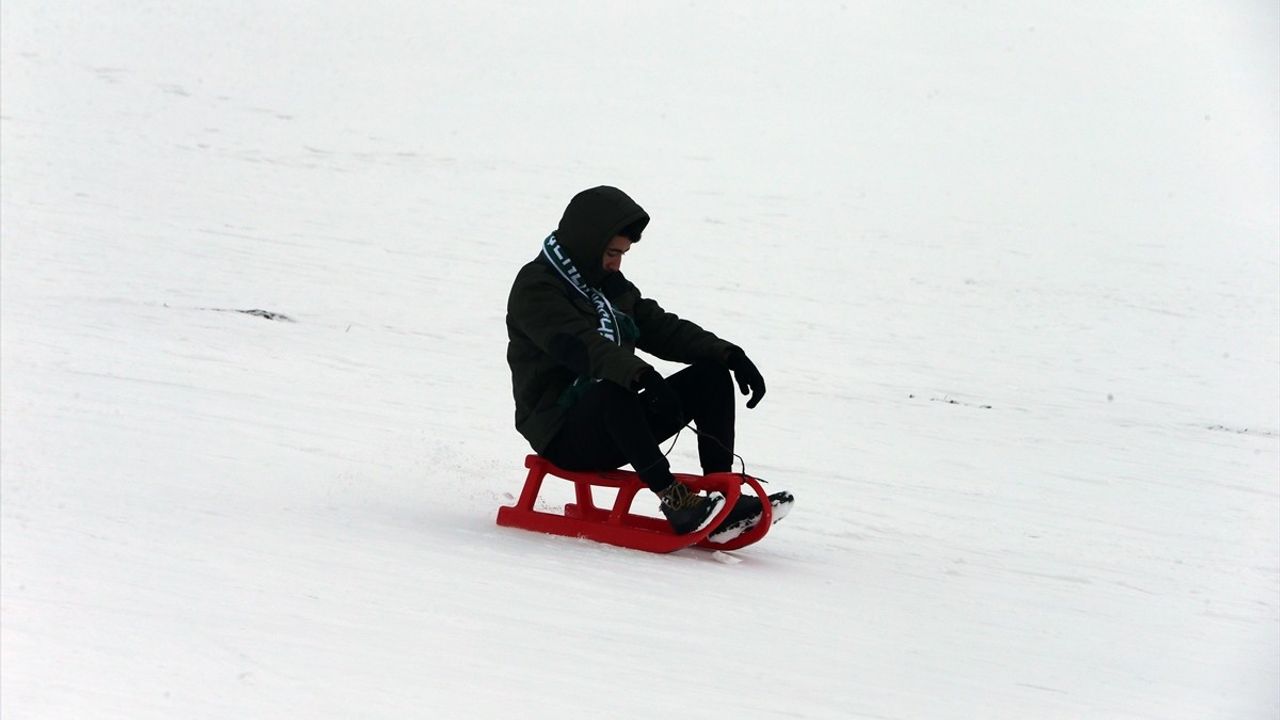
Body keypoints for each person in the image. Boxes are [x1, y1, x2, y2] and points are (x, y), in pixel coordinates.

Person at [506, 185, 793, 537]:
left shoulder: (606, 284)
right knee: (612, 388)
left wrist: (728, 353)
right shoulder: (536, 289)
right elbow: (582, 346)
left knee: (711, 376)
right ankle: (676, 501)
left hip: (616, 422)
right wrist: (640, 375)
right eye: (612, 252)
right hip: (562, 432)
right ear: (587, 243)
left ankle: (723, 500)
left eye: (622, 253)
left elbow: (658, 326)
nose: (616, 262)